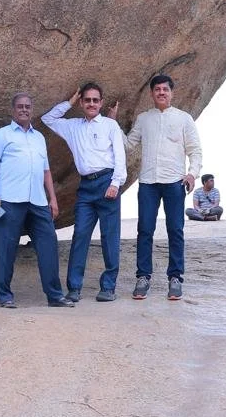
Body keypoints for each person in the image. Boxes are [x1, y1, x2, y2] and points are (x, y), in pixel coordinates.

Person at [109, 73, 202, 302]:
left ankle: (176, 278)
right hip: (148, 182)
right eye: (157, 89)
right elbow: (129, 144)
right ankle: (143, 277)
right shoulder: (144, 119)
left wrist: (192, 174)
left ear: (172, 93)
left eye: (165, 89)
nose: (161, 93)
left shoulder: (183, 119)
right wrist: (112, 123)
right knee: (145, 231)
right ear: (152, 94)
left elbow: (195, 150)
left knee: (175, 230)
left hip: (174, 183)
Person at [0, 93, 70, 308]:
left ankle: (55, 296)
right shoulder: (1, 135)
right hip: (10, 200)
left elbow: (46, 170)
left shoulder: (39, 137)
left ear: (32, 109)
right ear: (13, 110)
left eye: (27, 106)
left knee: (48, 245)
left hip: (38, 201)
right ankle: (5, 296)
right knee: (6, 248)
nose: (24, 110)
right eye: (20, 106)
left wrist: (53, 199)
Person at [41, 83, 127, 302]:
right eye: (87, 100)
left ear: (101, 102)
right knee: (80, 236)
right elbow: (47, 119)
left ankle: (108, 287)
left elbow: (120, 157)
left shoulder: (110, 125)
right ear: (81, 103)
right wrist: (68, 102)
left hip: (107, 182)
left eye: (95, 100)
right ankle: (74, 287)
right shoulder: (73, 126)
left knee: (110, 237)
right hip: (86, 187)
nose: (91, 104)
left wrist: (115, 184)